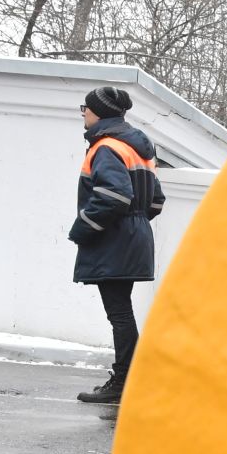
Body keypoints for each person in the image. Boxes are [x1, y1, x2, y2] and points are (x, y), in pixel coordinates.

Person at [67, 86, 164, 404]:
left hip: (114, 239)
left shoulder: (106, 147)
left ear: (99, 113)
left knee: (119, 313)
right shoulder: (138, 146)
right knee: (122, 311)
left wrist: (83, 229)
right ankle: (129, 379)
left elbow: (113, 196)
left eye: (86, 107)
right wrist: (134, 225)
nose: (83, 112)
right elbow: (156, 202)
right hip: (134, 238)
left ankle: (124, 381)